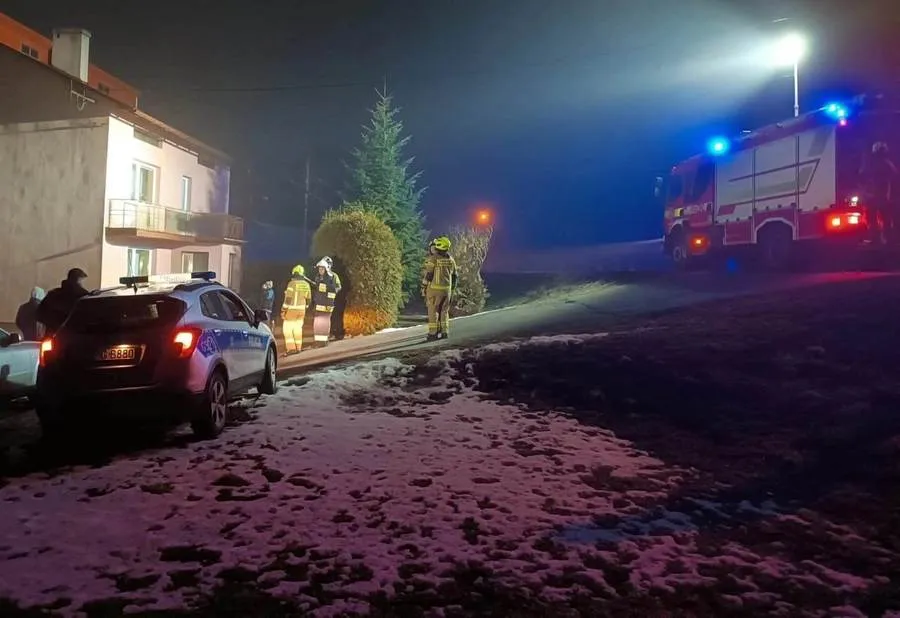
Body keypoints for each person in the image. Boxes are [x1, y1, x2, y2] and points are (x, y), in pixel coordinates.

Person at [860, 141, 898, 244]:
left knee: (873, 218)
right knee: (885, 218)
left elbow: (862, 175)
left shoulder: (870, 164)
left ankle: (876, 239)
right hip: (882, 196)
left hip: (874, 196)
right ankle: (888, 239)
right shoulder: (888, 164)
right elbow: (893, 177)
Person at [421, 236, 458, 341]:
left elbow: (429, 274)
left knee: (433, 311)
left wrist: (424, 286)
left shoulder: (434, 258)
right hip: (447, 290)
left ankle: (433, 334)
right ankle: (444, 332)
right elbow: (455, 276)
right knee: (444, 311)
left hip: (434, 290)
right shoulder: (451, 260)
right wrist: (452, 289)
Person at [37, 268, 89, 336]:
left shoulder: (53, 294)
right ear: (79, 280)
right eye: (82, 280)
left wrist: (52, 324)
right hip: (76, 337)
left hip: (52, 336)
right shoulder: (83, 296)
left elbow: (39, 314)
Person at [311, 257, 342, 347]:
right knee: (317, 322)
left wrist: (330, 290)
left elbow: (338, 287)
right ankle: (317, 341)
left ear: (327, 267)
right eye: (319, 269)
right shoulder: (318, 277)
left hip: (328, 303)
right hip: (319, 303)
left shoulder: (334, 276)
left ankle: (324, 341)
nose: (320, 270)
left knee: (325, 321)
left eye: (322, 269)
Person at [280, 266, 310, 355]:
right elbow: (309, 299)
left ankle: (291, 348)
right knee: (298, 329)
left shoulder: (292, 284)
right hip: (302, 310)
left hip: (292, 310)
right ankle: (298, 347)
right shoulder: (306, 284)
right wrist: (305, 307)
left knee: (287, 329)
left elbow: (288, 298)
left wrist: (283, 309)